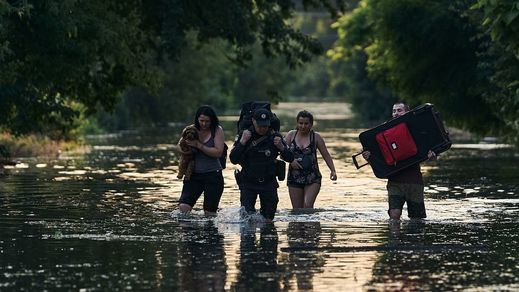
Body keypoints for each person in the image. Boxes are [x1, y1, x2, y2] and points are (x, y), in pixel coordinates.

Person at [362, 102, 436, 220]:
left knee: (417, 219)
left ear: (407, 112)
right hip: (395, 182)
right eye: (394, 111)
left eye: (399, 110)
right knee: (394, 215)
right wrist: (369, 158)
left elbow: (430, 155)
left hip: (414, 182)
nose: (396, 113)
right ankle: (395, 238)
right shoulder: (384, 131)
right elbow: (379, 161)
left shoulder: (416, 129)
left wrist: (432, 156)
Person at [229, 108, 294, 221]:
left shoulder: (275, 136)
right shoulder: (245, 135)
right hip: (248, 183)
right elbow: (233, 159)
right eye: (260, 125)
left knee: (269, 219)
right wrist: (242, 142)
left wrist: (282, 147)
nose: (263, 128)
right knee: (246, 220)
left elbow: (290, 158)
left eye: (265, 126)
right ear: (253, 121)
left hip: (269, 183)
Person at [177, 105, 226, 215]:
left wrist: (199, 145)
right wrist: (186, 151)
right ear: (197, 119)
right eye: (201, 121)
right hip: (193, 175)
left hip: (213, 176)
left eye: (207, 121)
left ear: (212, 120)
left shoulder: (217, 130)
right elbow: (179, 146)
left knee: (209, 214)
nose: (204, 124)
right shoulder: (191, 129)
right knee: (183, 208)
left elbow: (218, 152)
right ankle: (188, 231)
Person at [285, 110, 337, 209]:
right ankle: (299, 225)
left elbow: (326, 155)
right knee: (297, 210)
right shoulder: (291, 135)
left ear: (311, 124)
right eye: (300, 123)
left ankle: (310, 224)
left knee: (307, 206)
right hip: (294, 177)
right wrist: (291, 161)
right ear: (297, 123)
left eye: (306, 123)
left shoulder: (316, 137)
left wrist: (333, 170)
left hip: (313, 177)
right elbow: (283, 153)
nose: (303, 126)